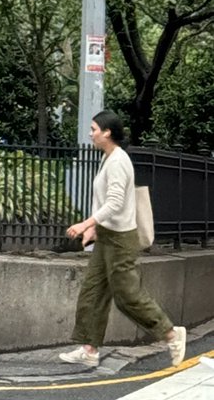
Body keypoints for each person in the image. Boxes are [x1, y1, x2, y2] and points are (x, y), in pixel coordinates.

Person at [59, 110, 186, 369]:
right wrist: (95, 230)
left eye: (94, 128)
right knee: (92, 293)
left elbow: (116, 202)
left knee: (127, 295)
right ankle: (90, 349)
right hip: (107, 237)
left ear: (107, 132)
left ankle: (171, 334)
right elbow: (108, 202)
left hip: (120, 240)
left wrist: (86, 223)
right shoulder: (109, 158)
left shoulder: (118, 161)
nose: (90, 133)